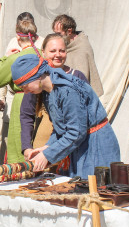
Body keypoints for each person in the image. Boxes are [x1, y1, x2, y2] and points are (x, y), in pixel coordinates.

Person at [12, 53, 119, 177]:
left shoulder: (67, 91)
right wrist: (47, 147)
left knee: (95, 191)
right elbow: (61, 127)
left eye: (25, 86)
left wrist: (47, 155)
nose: (25, 91)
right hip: (80, 143)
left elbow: (76, 132)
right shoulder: (48, 92)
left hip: (96, 145)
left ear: (36, 76)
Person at [20, 33, 88, 161]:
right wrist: (27, 147)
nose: (58, 54)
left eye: (62, 51)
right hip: (45, 139)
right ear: (43, 52)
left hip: (73, 141)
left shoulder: (77, 77)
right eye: (53, 51)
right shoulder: (38, 79)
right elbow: (26, 114)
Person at [0, 12, 45, 162]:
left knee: (19, 141)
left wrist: (6, 57)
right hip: (43, 101)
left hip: (22, 99)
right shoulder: (42, 54)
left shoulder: (15, 57)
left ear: (18, 37)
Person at [52, 14, 104, 96]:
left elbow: (81, 79)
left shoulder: (82, 47)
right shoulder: (65, 45)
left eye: (59, 34)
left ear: (69, 31)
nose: (56, 37)